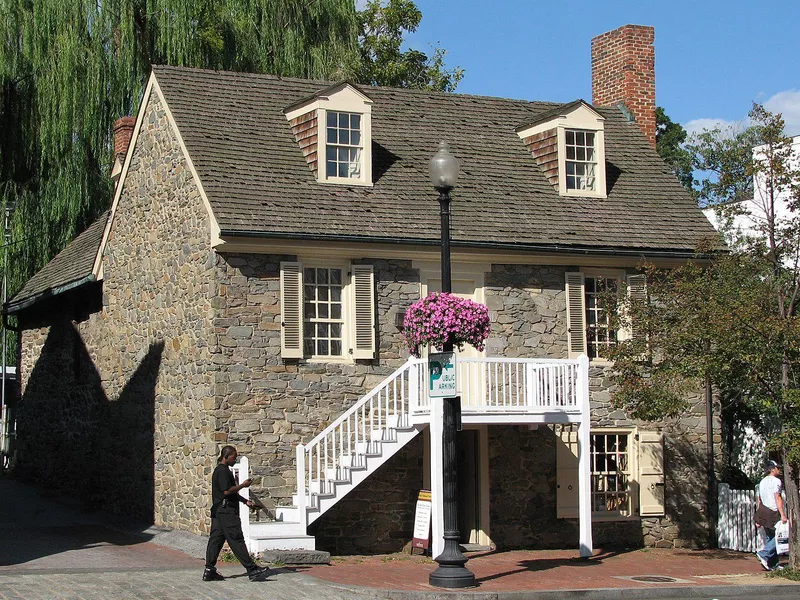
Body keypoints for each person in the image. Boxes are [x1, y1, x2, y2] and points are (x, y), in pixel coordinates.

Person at [203, 445, 269, 582]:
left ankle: (209, 570)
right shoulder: (222, 471)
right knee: (236, 539)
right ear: (225, 457)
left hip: (219, 511)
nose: (235, 459)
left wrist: (246, 501)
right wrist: (243, 485)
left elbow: (229, 493)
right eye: (233, 457)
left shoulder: (223, 470)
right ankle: (252, 570)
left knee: (216, 540)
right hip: (226, 512)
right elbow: (227, 491)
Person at [755, 459, 788, 571]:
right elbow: (777, 497)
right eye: (777, 468)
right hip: (773, 511)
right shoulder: (776, 481)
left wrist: (758, 517)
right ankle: (763, 554)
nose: (779, 470)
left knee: (770, 536)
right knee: (779, 536)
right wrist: (783, 514)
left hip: (763, 511)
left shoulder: (762, 481)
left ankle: (773, 564)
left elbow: (759, 500)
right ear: (772, 469)